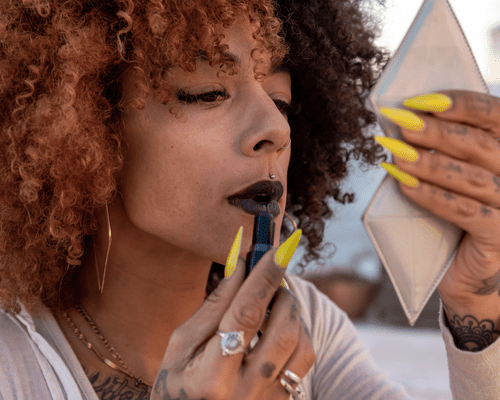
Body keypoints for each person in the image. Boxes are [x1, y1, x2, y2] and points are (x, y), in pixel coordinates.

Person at [0, 0, 499, 399]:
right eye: (206, 92)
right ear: (82, 131)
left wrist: (478, 307)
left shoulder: (307, 326)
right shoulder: (13, 365)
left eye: (280, 100)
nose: (276, 129)